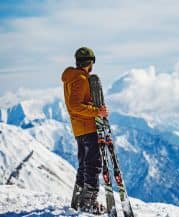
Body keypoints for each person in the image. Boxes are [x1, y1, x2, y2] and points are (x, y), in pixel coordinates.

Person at [61, 47, 108, 213]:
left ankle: (79, 200)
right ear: (91, 62)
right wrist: (97, 111)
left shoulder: (71, 79)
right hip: (87, 127)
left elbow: (74, 105)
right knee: (93, 164)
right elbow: (75, 105)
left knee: (84, 165)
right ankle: (89, 203)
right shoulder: (80, 79)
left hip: (79, 129)